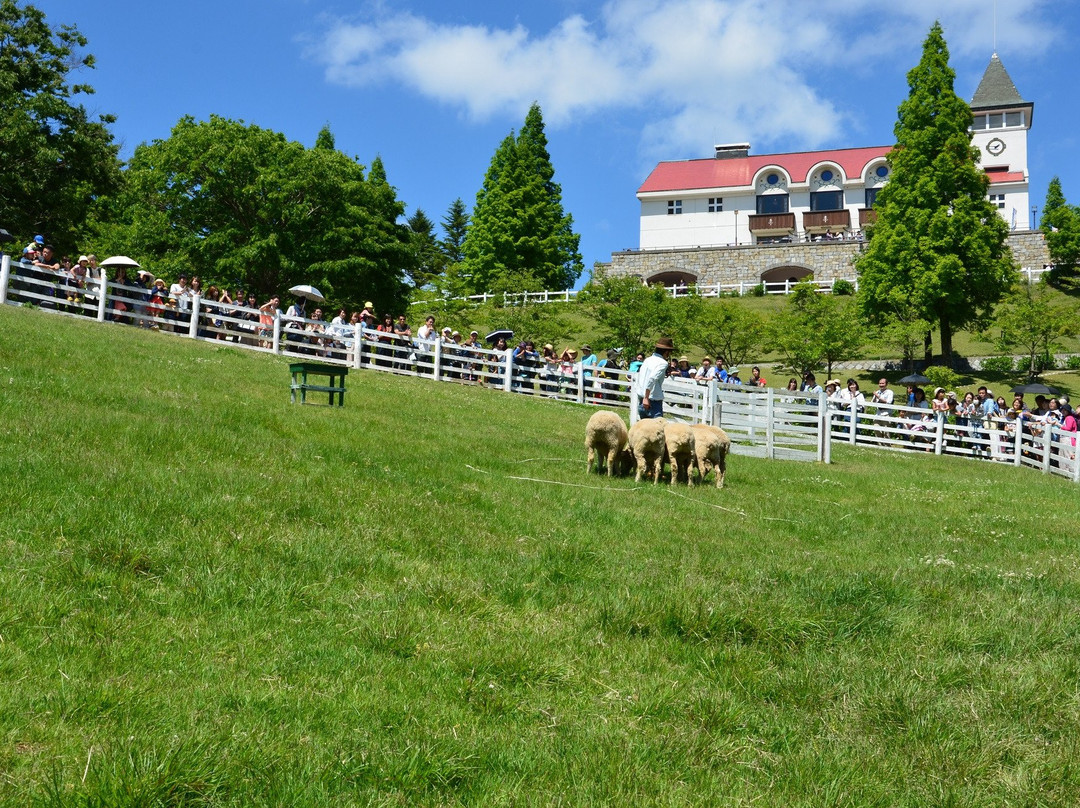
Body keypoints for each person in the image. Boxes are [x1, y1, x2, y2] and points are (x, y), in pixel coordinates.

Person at [634, 337, 674, 419]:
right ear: (666, 352)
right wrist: (646, 397)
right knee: (657, 429)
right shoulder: (663, 363)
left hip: (642, 400)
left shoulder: (647, 360)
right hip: (652, 401)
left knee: (644, 429)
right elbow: (652, 378)